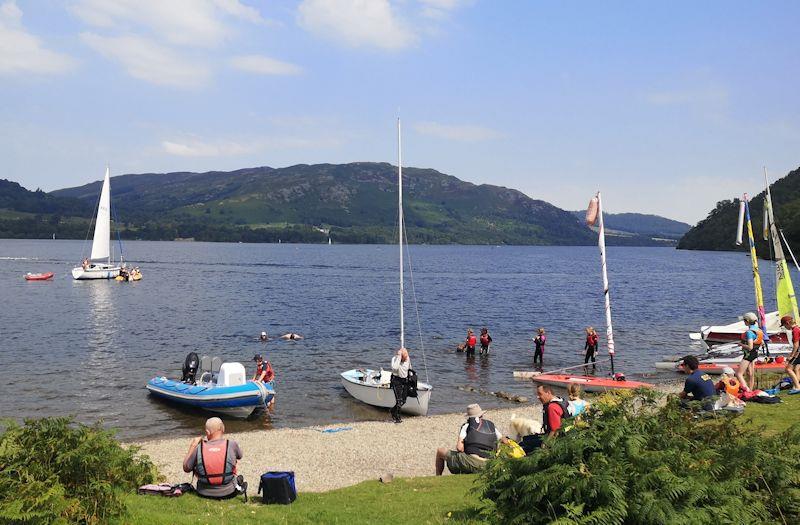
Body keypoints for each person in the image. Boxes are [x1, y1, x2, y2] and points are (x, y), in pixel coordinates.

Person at [182, 417, 246, 500]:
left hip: (203, 492)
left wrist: (193, 445)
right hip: (228, 492)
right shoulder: (231, 444)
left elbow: (186, 468)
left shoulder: (199, 448)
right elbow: (240, 456)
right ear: (223, 428)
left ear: (207, 432)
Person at [435, 404, 508, 475]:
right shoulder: (491, 426)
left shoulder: (467, 426)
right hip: (489, 464)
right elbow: (505, 442)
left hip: (472, 462)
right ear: (481, 415)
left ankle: (438, 477)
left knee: (440, 451)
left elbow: (459, 448)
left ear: (469, 417)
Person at [519, 384, 569, 454]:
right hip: (561, 436)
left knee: (524, 444)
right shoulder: (560, 400)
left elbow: (555, 430)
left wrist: (545, 443)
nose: (538, 397)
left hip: (556, 439)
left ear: (548, 393)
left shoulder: (552, 407)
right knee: (526, 438)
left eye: (540, 394)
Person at [738, 312, 763, 391]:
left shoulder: (749, 332)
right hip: (755, 353)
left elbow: (750, 347)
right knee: (750, 373)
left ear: (747, 321)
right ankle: (751, 389)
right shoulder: (758, 330)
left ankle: (747, 391)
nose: (744, 322)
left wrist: (741, 344)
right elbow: (761, 342)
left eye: (744, 321)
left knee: (739, 374)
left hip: (748, 354)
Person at [390, 348, 410, 423]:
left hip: (405, 381)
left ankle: (392, 410)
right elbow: (394, 368)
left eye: (406, 357)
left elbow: (409, 368)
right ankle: (397, 418)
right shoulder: (394, 359)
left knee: (403, 400)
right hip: (396, 380)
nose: (406, 359)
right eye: (404, 357)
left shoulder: (407, 358)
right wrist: (398, 357)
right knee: (399, 400)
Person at [781, 315, 800, 393]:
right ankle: (795, 385)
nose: (784, 327)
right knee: (796, 369)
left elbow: (796, 344)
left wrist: (791, 356)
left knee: (788, 369)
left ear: (788, 323)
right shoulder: (798, 328)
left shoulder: (795, 330)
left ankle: (798, 387)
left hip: (798, 352)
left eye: (784, 325)